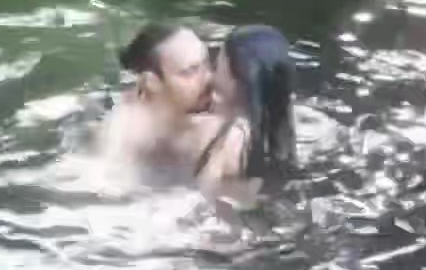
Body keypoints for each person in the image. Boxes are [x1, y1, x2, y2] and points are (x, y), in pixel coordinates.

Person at [180, 25, 297, 197]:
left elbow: (202, 197)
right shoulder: (282, 132)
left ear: (236, 80)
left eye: (218, 65)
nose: (211, 74)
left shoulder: (228, 142)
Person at [95, 21, 215, 186]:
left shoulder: (210, 112)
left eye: (206, 64)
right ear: (152, 83)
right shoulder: (125, 132)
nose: (209, 78)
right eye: (189, 72)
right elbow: (105, 188)